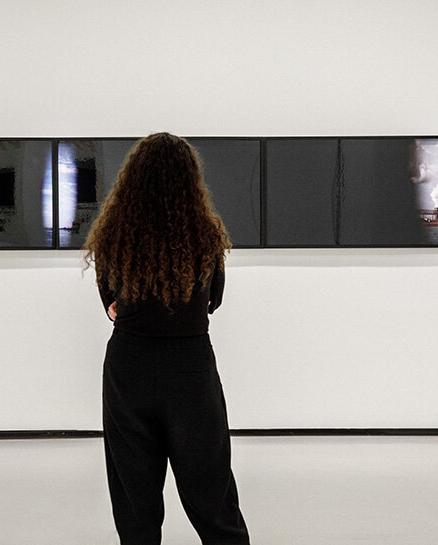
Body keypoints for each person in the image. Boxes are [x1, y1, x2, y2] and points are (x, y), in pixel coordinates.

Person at [81, 132, 251, 545]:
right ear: (190, 179)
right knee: (210, 487)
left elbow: (110, 301)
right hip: (190, 366)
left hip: (129, 365)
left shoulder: (113, 234)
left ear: (132, 178)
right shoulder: (205, 234)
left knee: (134, 493)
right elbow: (213, 301)